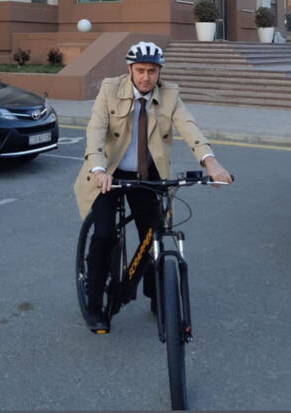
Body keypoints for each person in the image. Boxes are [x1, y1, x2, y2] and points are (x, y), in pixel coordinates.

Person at [73, 41, 232, 331]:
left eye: (152, 71)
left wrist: (211, 163)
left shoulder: (170, 94)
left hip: (147, 176)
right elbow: (95, 130)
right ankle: (94, 303)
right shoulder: (110, 89)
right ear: (130, 69)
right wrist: (98, 169)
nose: (146, 77)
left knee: (154, 235)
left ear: (159, 72)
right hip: (109, 174)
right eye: (140, 70)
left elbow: (189, 127)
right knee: (105, 235)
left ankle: (158, 296)